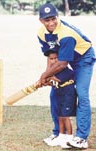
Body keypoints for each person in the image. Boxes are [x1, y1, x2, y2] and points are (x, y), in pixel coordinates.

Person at [37, 3, 96, 149]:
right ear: (41, 21)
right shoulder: (41, 33)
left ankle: (81, 138)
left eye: (53, 19)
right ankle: (59, 134)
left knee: (81, 93)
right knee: (55, 93)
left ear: (57, 17)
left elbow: (62, 64)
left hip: (83, 59)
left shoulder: (66, 34)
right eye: (47, 20)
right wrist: (48, 77)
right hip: (63, 59)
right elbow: (52, 56)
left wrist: (43, 76)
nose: (50, 23)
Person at [42, 51, 77, 149]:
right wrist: (47, 81)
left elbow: (58, 79)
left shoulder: (65, 70)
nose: (54, 61)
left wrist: (46, 76)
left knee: (66, 117)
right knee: (60, 116)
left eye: (56, 58)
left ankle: (70, 138)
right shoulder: (55, 71)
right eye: (51, 59)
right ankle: (61, 136)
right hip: (61, 95)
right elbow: (55, 83)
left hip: (68, 96)